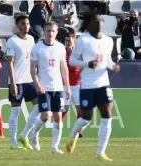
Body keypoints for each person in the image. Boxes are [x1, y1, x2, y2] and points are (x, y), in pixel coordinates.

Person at [66, 13, 120, 161]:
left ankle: (100, 153)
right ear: (89, 24)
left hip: (103, 83)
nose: (99, 23)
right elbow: (72, 60)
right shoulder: (83, 41)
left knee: (107, 114)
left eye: (100, 21)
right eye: (95, 21)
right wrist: (87, 64)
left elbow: (107, 60)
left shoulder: (108, 41)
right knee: (86, 117)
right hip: (87, 85)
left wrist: (112, 66)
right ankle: (73, 136)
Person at [29, 22, 70, 153]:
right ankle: (34, 134)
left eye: (53, 31)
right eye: (48, 31)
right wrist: (37, 85)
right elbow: (32, 69)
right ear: (44, 31)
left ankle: (54, 147)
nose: (50, 33)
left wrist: (67, 86)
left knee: (58, 117)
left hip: (58, 87)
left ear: (56, 32)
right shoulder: (37, 47)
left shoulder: (60, 47)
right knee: (46, 116)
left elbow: (64, 68)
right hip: (44, 88)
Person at [6, 15, 38, 150]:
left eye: (28, 23)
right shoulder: (12, 41)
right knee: (15, 112)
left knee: (40, 106)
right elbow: (10, 63)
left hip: (29, 80)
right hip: (17, 81)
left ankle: (24, 134)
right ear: (17, 25)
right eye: (23, 24)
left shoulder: (31, 39)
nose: (26, 26)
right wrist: (13, 83)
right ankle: (13, 142)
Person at [61, 28, 84, 137]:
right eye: (66, 41)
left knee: (79, 108)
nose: (67, 43)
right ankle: (58, 127)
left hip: (77, 85)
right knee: (65, 109)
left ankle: (79, 131)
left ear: (74, 41)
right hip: (65, 86)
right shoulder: (62, 53)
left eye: (69, 41)